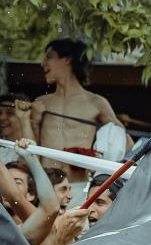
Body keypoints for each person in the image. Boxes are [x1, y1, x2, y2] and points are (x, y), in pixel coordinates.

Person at [30, 39, 129, 195]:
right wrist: (34, 122)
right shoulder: (41, 102)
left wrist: (99, 162)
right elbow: (30, 148)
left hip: (79, 187)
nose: (43, 64)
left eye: (49, 57)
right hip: (46, 185)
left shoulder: (96, 102)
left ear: (67, 60)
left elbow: (124, 141)